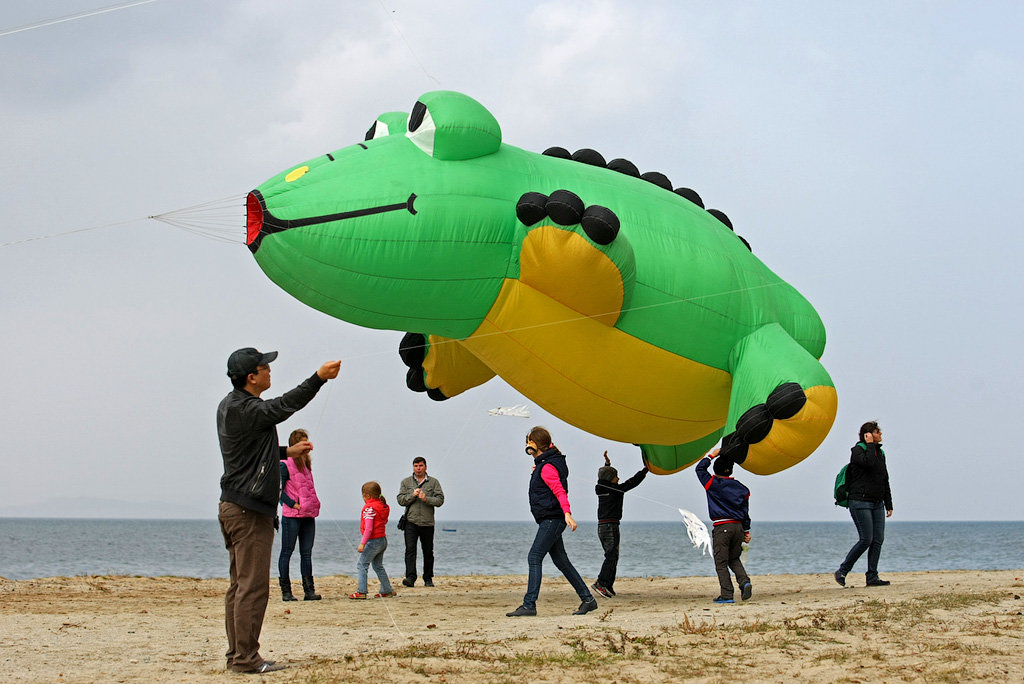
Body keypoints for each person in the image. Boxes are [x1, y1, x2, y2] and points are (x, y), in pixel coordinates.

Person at [216, 347, 340, 674]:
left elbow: (253, 446)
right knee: (252, 587)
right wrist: (319, 378)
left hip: (234, 506)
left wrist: (287, 450)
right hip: (248, 510)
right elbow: (284, 405)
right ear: (251, 377)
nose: (270, 371)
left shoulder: (231, 407)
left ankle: (237, 656)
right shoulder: (247, 407)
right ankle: (245, 659)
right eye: (264, 367)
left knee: (240, 586)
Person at [506, 426, 598, 617]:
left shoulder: (547, 467)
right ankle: (588, 600)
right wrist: (539, 464)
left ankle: (529, 605)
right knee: (561, 561)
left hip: (552, 519)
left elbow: (559, 492)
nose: (525, 446)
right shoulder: (546, 464)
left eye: (528, 442)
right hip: (550, 518)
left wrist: (567, 513)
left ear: (534, 445)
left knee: (534, 557)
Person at [834, 421, 894, 588]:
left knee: (878, 539)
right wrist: (868, 445)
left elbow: (884, 478)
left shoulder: (880, 453)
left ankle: (872, 576)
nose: (881, 435)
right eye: (877, 432)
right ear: (868, 435)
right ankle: (842, 571)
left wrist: (889, 503)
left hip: (877, 503)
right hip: (860, 501)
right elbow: (868, 464)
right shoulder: (858, 451)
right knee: (866, 539)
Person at [695, 447, 752, 604]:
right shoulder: (742, 488)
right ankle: (744, 582)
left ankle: (727, 595)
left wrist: (711, 455)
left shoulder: (713, 483)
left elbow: (699, 469)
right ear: (730, 470)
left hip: (722, 527)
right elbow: (745, 511)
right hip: (738, 527)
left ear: (715, 470)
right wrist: (746, 531)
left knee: (720, 562)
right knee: (733, 558)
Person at [591, 450, 648, 598]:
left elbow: (603, 478)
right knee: (611, 556)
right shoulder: (614, 490)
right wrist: (645, 470)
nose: (618, 478)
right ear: (610, 479)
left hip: (603, 527)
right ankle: (601, 583)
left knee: (613, 555)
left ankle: (608, 585)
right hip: (610, 527)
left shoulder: (602, 487)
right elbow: (631, 483)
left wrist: (607, 464)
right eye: (616, 476)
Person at [278, 428, 323, 602]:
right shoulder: (285, 463)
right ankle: (286, 592)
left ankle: (309, 591)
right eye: (302, 442)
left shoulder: (306, 465)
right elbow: (279, 491)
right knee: (287, 552)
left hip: (308, 515)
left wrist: (314, 503)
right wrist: (294, 505)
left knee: (306, 553)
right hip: (292, 516)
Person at [397, 456, 445, 587]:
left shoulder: (434, 482)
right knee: (410, 550)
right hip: (411, 522)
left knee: (428, 551)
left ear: (425, 467)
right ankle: (410, 578)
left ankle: (428, 578)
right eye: (416, 466)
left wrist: (426, 499)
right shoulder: (406, 482)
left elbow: (440, 500)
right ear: (413, 467)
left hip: (427, 522)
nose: (418, 469)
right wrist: (412, 495)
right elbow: (400, 500)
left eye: (421, 466)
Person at [350, 481, 396, 599]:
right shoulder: (382, 506)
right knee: (378, 565)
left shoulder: (369, 508)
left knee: (362, 564)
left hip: (373, 541)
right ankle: (387, 589)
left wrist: (362, 543)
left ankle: (362, 591)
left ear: (367, 496)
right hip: (382, 540)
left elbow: (369, 528)